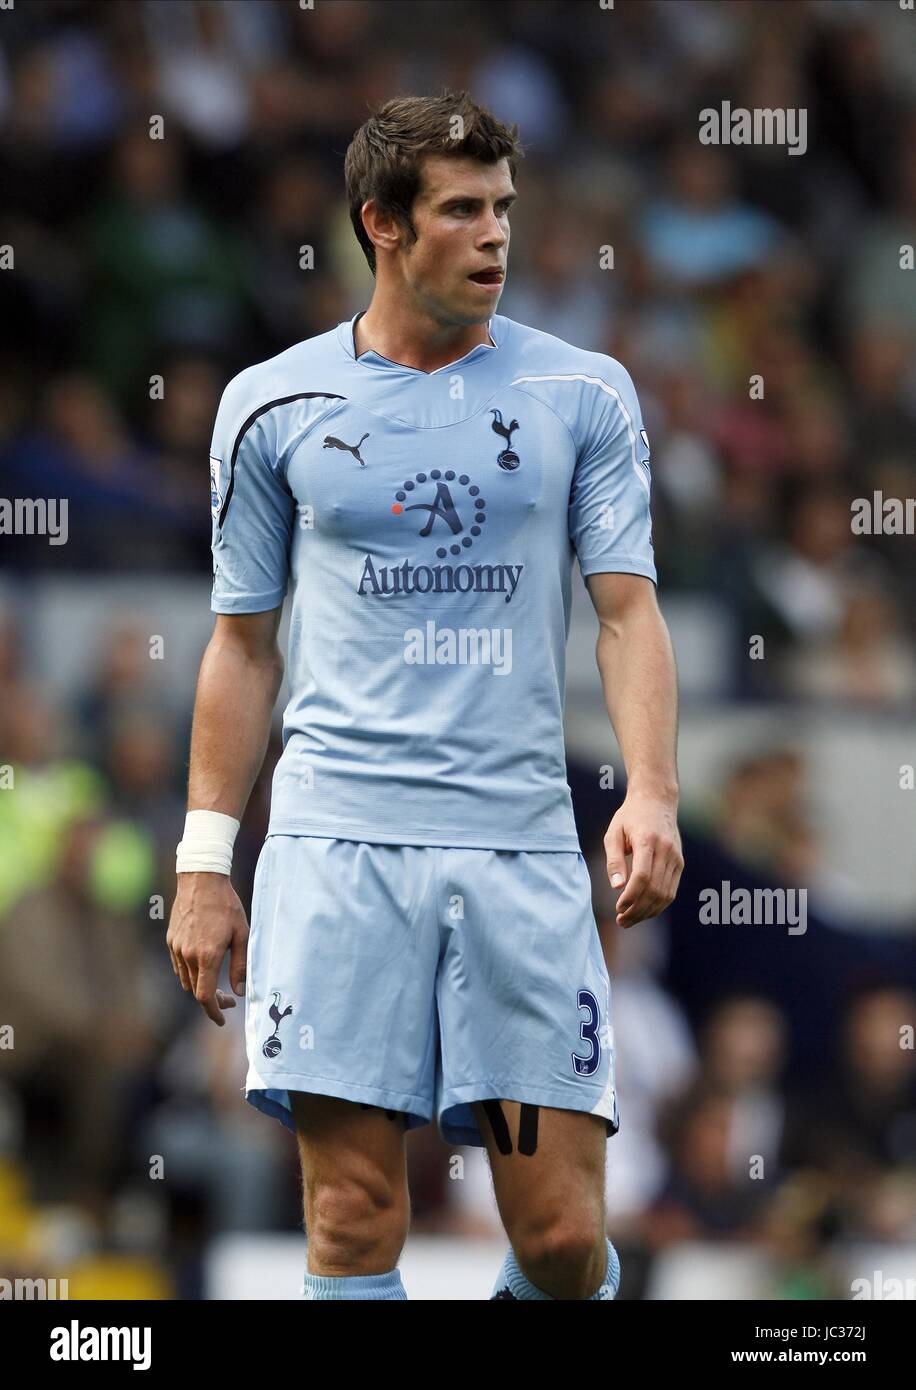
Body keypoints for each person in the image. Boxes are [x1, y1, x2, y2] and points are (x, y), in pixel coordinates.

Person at [167, 90, 683, 1301]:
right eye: (462, 210)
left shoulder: (583, 395)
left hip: (514, 860)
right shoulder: (271, 405)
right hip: (337, 854)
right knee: (352, 1219)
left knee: (557, 1239)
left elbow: (627, 612)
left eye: (504, 207)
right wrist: (203, 861)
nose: (496, 233)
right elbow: (241, 647)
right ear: (381, 225)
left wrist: (651, 789)